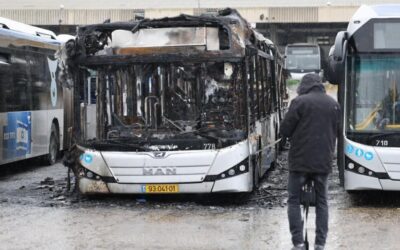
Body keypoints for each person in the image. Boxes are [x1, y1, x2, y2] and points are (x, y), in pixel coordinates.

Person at [280, 73, 340, 250]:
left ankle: (298, 242)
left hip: (299, 163)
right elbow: (338, 132)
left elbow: (285, 130)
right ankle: (320, 244)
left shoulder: (299, 102)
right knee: (322, 202)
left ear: (303, 86)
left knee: (293, 200)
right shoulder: (334, 105)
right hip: (323, 162)